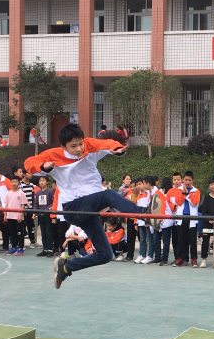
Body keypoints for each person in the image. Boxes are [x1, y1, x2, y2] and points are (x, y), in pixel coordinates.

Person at [24, 123, 144, 289]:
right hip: (73, 207)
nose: (79, 149)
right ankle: (143, 213)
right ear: (63, 146)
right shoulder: (53, 155)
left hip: (89, 210)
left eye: (80, 143)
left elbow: (106, 144)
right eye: (73, 146)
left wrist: (117, 148)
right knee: (108, 195)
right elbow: (29, 163)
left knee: (105, 255)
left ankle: (66, 267)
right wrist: (43, 167)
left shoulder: (89, 147)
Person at [174, 171, 201, 267]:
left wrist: (187, 195)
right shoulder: (178, 190)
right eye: (186, 180)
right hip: (181, 218)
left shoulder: (196, 191)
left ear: (192, 180)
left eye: (189, 180)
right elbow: (178, 202)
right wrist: (183, 194)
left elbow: (195, 202)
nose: (187, 182)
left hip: (192, 218)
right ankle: (179, 259)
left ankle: (193, 259)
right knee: (180, 240)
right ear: (183, 180)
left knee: (193, 240)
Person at [1, 176, 28, 256]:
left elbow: (23, 205)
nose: (14, 183)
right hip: (10, 216)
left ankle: (20, 248)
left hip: (18, 216)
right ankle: (13, 247)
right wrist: (5, 214)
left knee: (20, 233)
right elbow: (6, 204)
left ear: (18, 183)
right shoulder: (8, 193)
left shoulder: (21, 193)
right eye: (12, 182)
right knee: (12, 233)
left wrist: (21, 215)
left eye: (16, 182)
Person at [34, 176, 56, 257]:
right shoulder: (38, 193)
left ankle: (50, 249)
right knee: (43, 232)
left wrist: (46, 210)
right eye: (40, 181)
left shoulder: (50, 191)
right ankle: (45, 249)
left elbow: (53, 202)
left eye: (43, 181)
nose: (41, 182)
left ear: (47, 182)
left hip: (48, 215)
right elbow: (36, 204)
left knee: (48, 232)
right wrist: (35, 212)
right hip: (40, 215)